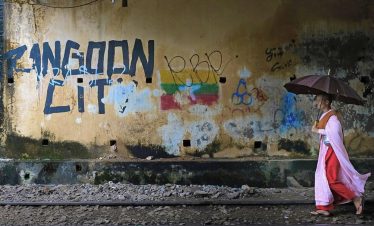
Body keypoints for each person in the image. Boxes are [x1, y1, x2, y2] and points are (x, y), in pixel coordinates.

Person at [310, 94, 371, 216]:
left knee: (331, 180)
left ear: (326, 102)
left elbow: (335, 133)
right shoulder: (323, 116)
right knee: (323, 177)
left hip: (333, 152)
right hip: (327, 151)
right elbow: (327, 134)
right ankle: (323, 207)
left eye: (319, 100)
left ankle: (355, 198)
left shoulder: (333, 117)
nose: (317, 102)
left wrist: (318, 130)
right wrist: (318, 128)